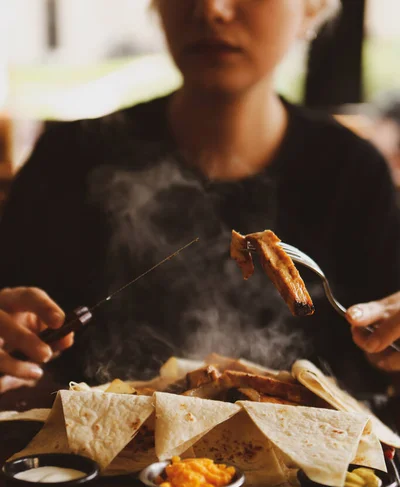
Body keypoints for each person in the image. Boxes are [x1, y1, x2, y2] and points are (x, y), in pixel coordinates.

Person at [0, 0, 400, 398]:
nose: (211, 9)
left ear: (311, 10)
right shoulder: (68, 161)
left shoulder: (354, 175)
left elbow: (380, 380)